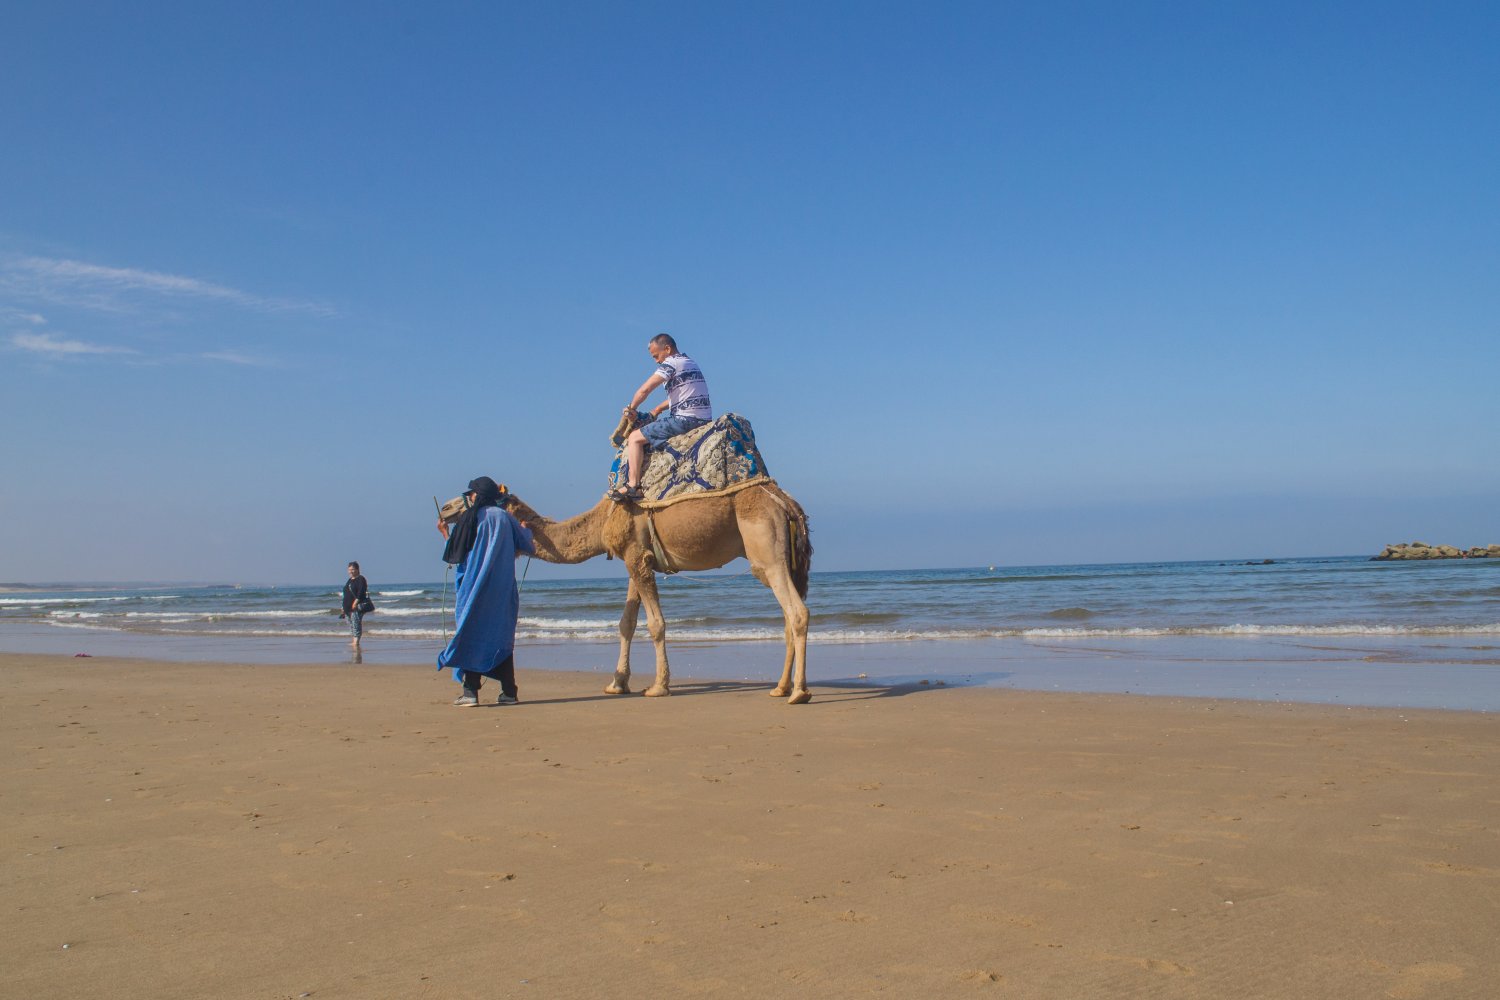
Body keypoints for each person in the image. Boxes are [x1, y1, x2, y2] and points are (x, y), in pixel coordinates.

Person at [436, 476, 535, 707]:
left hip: (472, 588)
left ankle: (470, 693)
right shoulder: (505, 518)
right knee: (501, 636)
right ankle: (509, 692)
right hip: (501, 590)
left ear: (475, 496)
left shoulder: (467, 519)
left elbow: (454, 553)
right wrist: (525, 530)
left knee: (471, 634)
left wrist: (443, 533)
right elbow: (527, 545)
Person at [609, 333, 712, 502]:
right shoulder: (689, 362)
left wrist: (631, 408)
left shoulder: (671, 363)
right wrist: (657, 409)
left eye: (656, 356)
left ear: (667, 349)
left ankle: (632, 486)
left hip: (685, 420)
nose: (656, 361)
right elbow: (682, 396)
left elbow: (645, 389)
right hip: (702, 418)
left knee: (634, 438)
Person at [340, 561, 368, 648]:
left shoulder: (361, 579)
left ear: (357, 569)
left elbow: (361, 592)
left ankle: (356, 642)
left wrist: (355, 602)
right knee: (351, 624)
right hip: (347, 607)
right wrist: (343, 606)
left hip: (357, 606)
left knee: (356, 622)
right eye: (349, 569)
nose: (351, 571)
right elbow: (345, 593)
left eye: (353, 569)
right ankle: (354, 640)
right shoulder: (349, 580)